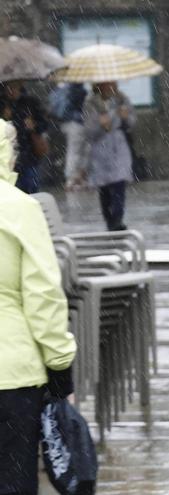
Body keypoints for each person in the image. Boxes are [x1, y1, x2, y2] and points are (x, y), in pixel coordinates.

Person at [0, 119, 77, 494]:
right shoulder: (20, 209)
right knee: (14, 480)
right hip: (12, 374)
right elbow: (42, 297)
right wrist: (61, 364)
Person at [82, 82, 135, 231]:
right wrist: (102, 123)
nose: (112, 85)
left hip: (119, 146)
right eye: (108, 82)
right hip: (101, 148)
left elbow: (131, 122)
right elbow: (90, 131)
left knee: (119, 182)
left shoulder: (122, 99)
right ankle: (109, 219)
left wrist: (125, 118)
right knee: (104, 187)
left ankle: (117, 218)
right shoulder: (91, 103)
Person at [0, 80, 49, 193]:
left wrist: (34, 126)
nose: (11, 91)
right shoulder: (2, 104)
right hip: (7, 157)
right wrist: (4, 118)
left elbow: (44, 124)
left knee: (31, 188)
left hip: (28, 155)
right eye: (9, 87)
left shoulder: (30, 102)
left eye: (14, 87)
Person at [49, 82, 90, 190]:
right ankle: (75, 178)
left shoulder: (59, 89)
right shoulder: (77, 89)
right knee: (78, 151)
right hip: (77, 122)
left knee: (74, 151)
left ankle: (72, 178)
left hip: (66, 123)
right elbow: (81, 108)